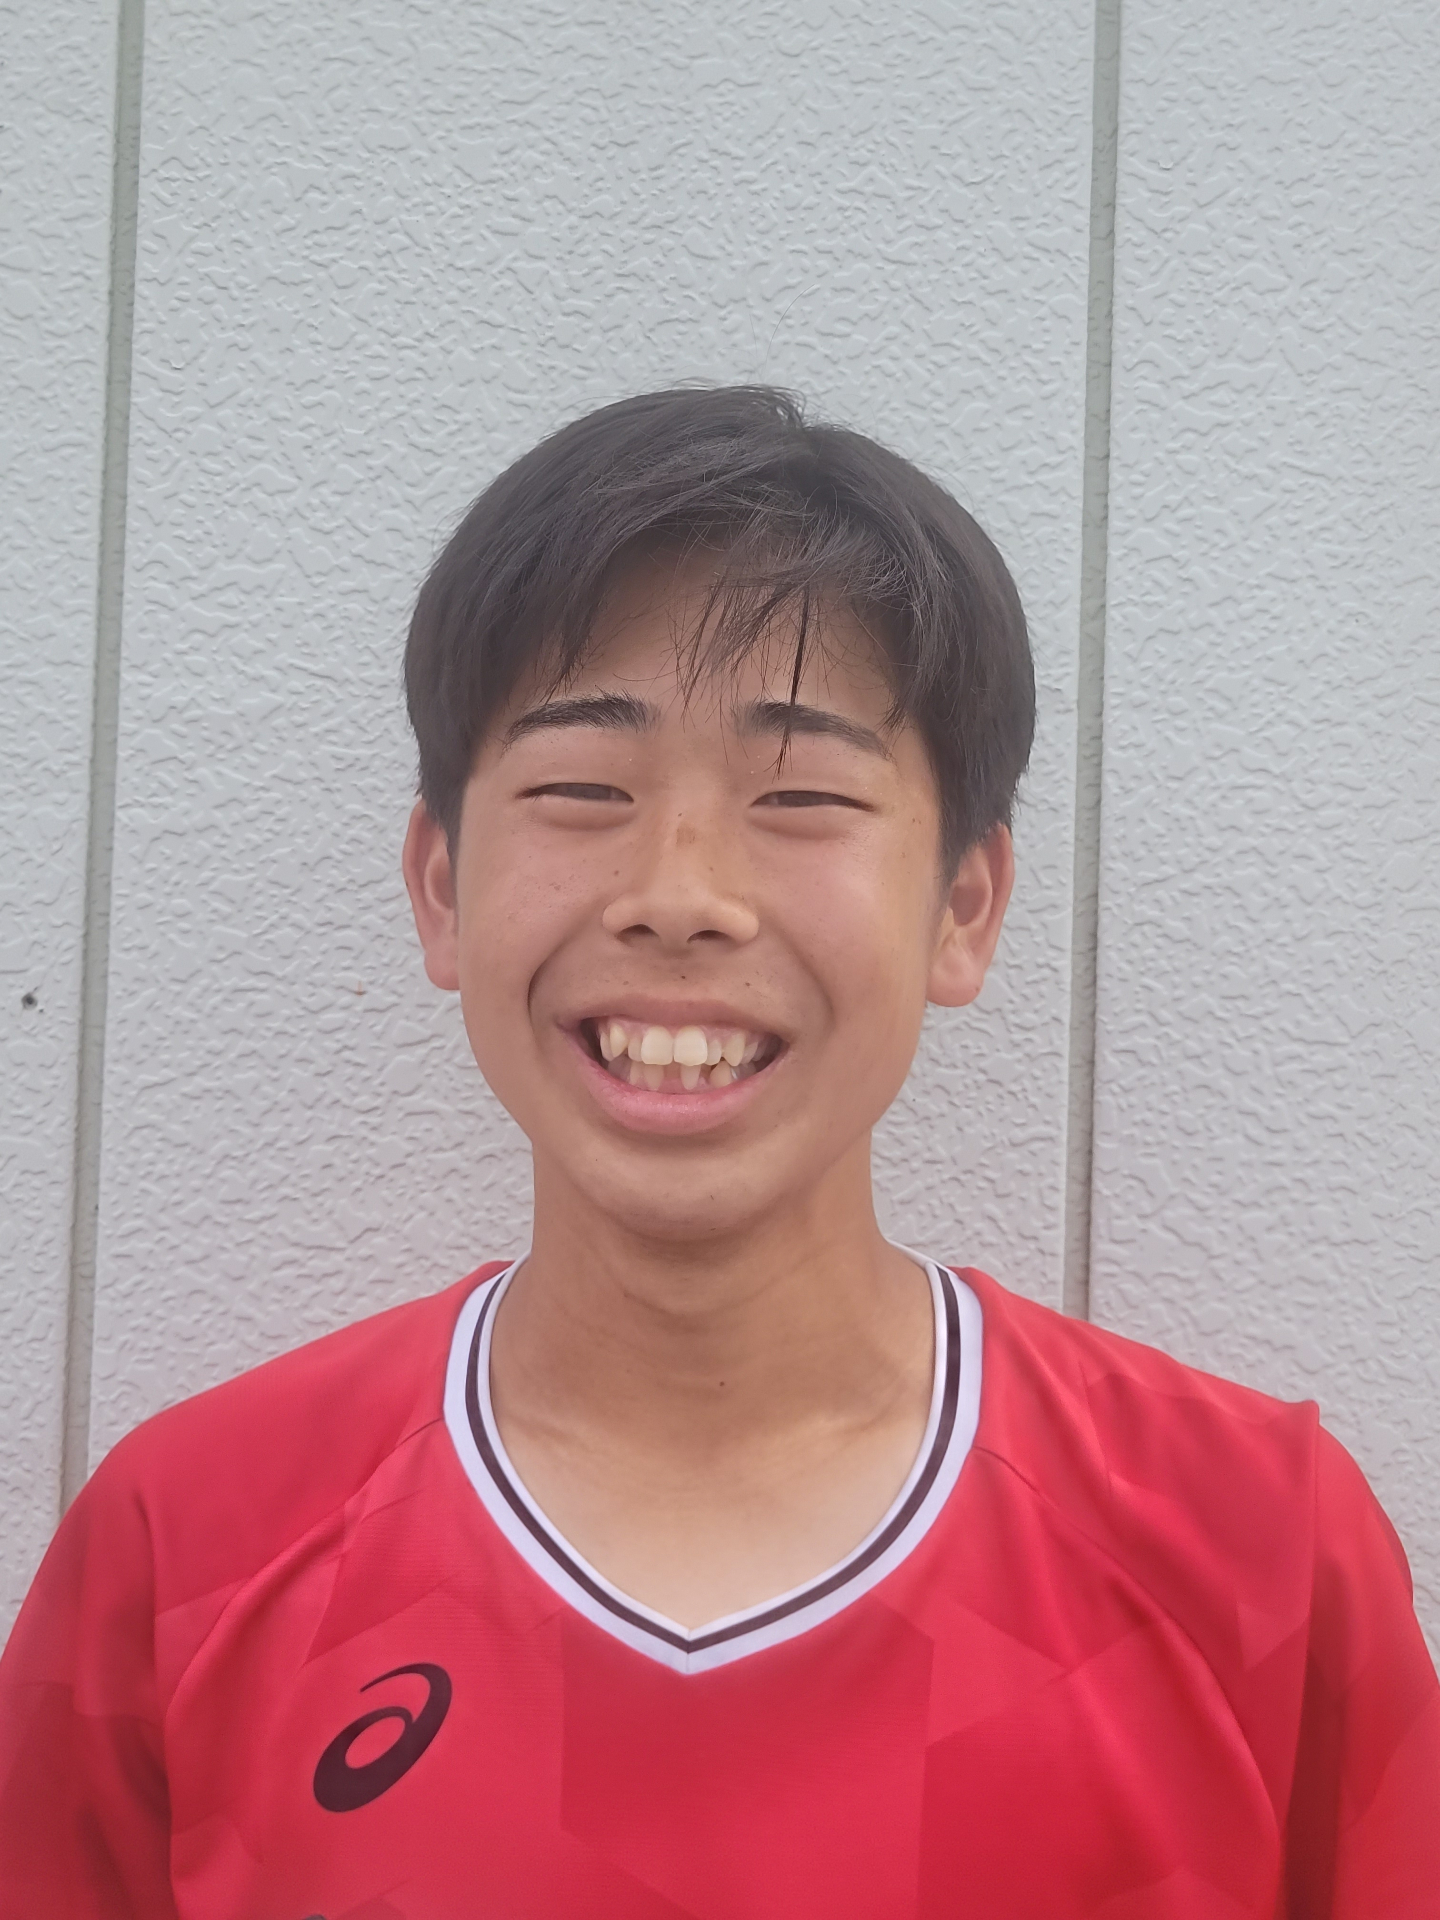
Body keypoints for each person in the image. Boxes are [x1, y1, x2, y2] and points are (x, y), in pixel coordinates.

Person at [1, 386, 1435, 1918]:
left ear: (963, 906)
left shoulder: (1254, 1553)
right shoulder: (186, 1552)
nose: (681, 896)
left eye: (802, 797)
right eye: (581, 791)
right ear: (442, 887)